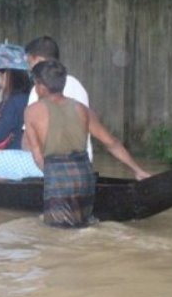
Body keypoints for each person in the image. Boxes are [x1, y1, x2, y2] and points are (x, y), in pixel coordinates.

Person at [25, 60, 150, 227]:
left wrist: (55, 178)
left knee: (57, 233)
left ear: (40, 86)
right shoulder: (82, 109)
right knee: (83, 226)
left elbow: (37, 155)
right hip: (84, 175)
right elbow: (111, 143)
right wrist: (138, 170)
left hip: (58, 175)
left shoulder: (32, 111)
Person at [24, 36, 93, 160]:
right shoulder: (77, 85)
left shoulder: (39, 88)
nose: (29, 68)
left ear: (39, 61)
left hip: (49, 164)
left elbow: (29, 141)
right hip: (83, 161)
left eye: (30, 63)